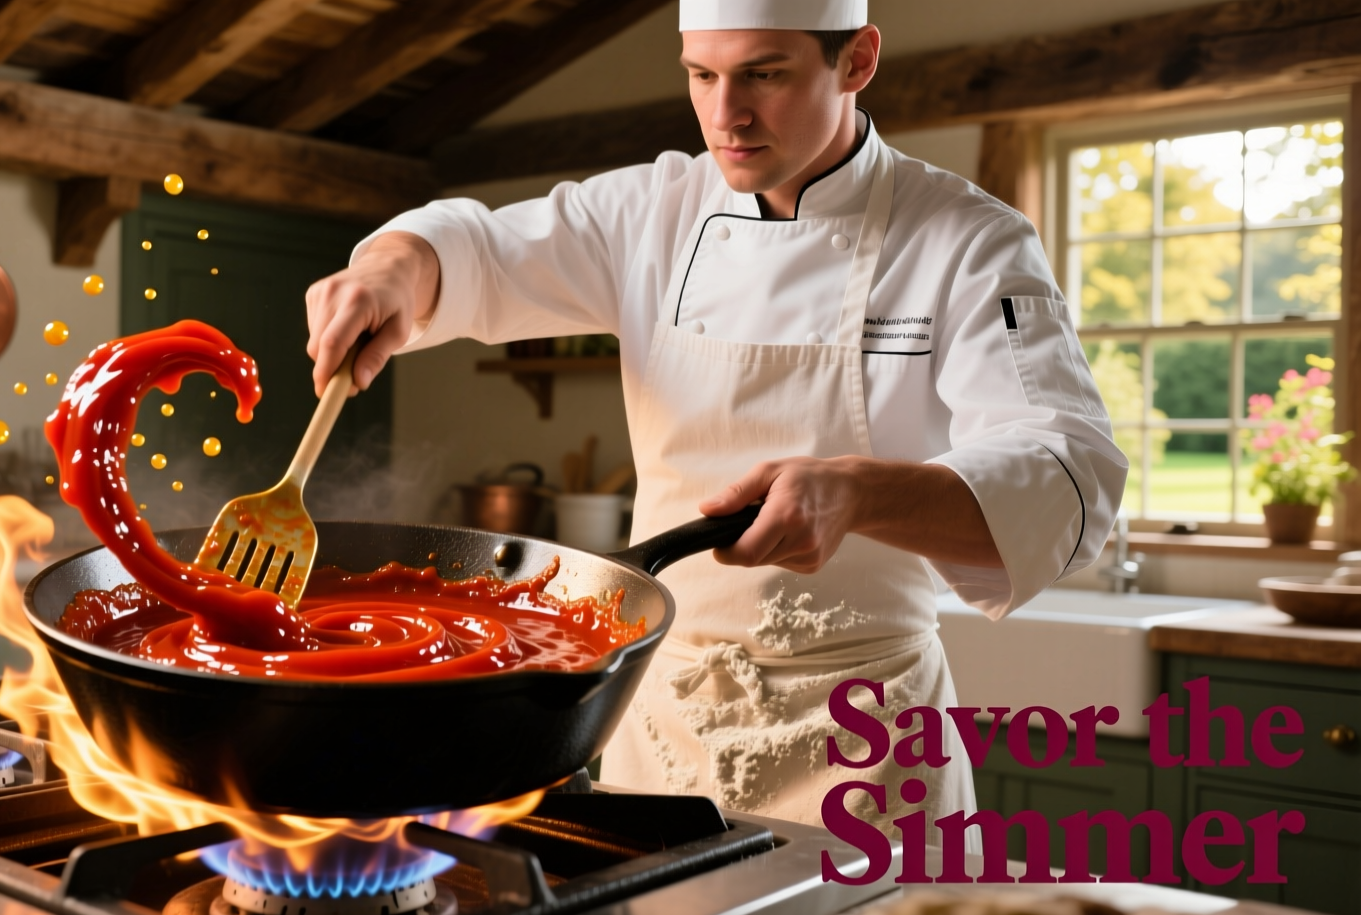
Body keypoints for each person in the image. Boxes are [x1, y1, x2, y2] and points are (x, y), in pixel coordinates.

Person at [304, 0, 1125, 838]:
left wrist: (859, 494)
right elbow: (472, 248)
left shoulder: (967, 240)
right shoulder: (649, 212)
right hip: (659, 728)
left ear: (858, 61)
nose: (725, 114)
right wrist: (393, 270)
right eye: (702, 75)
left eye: (765, 74)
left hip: (866, 751)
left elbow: (1070, 479)